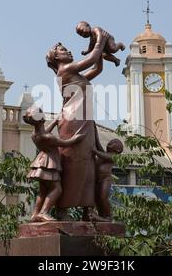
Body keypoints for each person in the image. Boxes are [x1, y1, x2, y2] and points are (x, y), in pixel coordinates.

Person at [46, 40, 106, 220]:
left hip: (84, 121)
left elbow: (96, 68)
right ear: (56, 57)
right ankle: (62, 210)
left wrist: (101, 53)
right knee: (73, 166)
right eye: (64, 50)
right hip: (72, 122)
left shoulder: (75, 74)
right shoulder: (65, 70)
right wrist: (99, 39)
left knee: (88, 166)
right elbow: (92, 58)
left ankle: (88, 211)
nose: (69, 51)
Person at [23, 107, 85, 222]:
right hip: (49, 163)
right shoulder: (48, 137)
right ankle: (44, 212)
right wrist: (77, 138)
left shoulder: (35, 134)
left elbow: (46, 130)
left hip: (41, 162)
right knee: (57, 189)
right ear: (41, 119)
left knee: (43, 191)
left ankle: (35, 214)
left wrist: (55, 121)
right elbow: (65, 143)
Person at [91, 139, 124, 222]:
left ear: (118, 150)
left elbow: (102, 155)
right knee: (97, 198)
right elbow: (98, 144)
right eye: (111, 141)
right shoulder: (104, 153)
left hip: (106, 179)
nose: (111, 142)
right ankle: (101, 215)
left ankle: (108, 216)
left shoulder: (114, 156)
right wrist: (95, 133)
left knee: (103, 197)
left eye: (114, 142)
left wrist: (95, 151)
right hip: (97, 180)